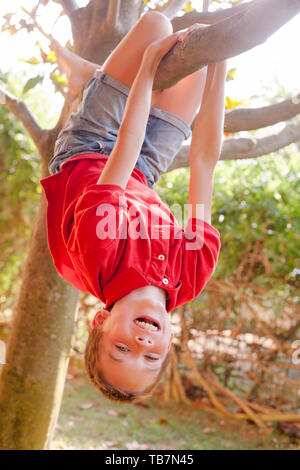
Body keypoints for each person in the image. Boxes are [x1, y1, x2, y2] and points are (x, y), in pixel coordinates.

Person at [41, 11, 227, 402]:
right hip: (146, 170)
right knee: (196, 62)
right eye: (152, 357)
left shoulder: (97, 257)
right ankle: (91, 78)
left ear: (101, 322)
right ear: (170, 341)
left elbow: (124, 146)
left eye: (122, 349)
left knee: (157, 27)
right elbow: (204, 161)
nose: (142, 343)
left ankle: (90, 82)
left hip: (93, 150)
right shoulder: (191, 274)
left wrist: (146, 68)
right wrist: (220, 62)